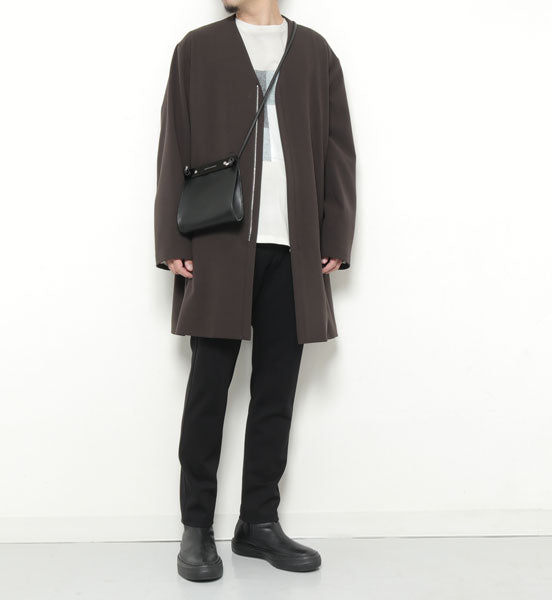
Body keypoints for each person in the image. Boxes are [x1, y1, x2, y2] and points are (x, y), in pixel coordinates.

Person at [154, 0, 356, 582]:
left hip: (295, 246)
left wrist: (336, 233)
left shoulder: (315, 51)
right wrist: (172, 237)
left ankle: (258, 522)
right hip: (217, 241)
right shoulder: (197, 49)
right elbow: (174, 142)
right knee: (208, 387)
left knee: (276, 390)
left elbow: (339, 149)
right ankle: (197, 527)